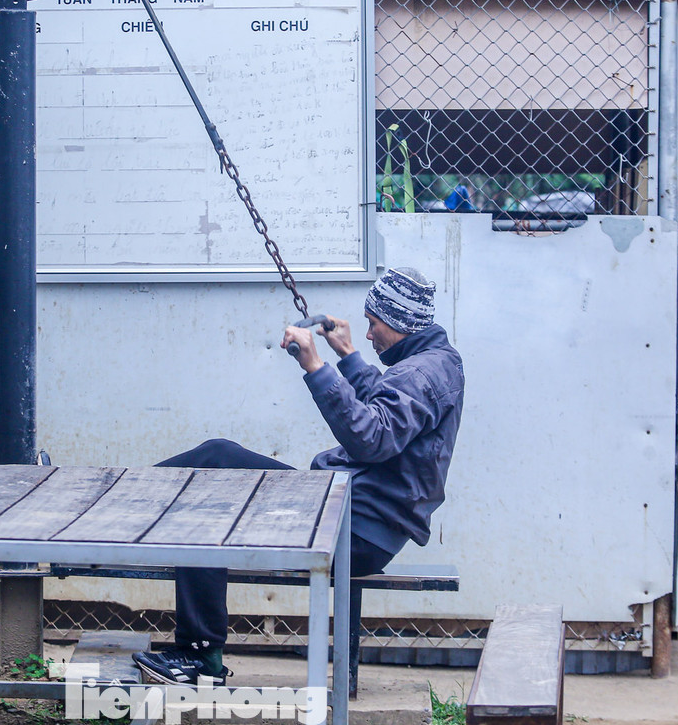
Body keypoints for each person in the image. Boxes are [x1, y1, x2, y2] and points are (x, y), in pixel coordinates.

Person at [132, 267, 465, 686]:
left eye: (373, 324)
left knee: (208, 494)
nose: (367, 335)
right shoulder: (432, 364)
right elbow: (388, 416)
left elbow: (372, 438)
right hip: (347, 513)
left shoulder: (420, 373)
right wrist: (347, 356)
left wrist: (316, 366)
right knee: (217, 458)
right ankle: (125, 498)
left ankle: (200, 658)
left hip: (352, 529)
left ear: (398, 323)